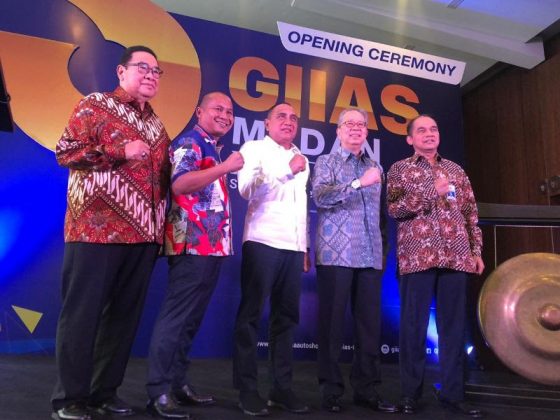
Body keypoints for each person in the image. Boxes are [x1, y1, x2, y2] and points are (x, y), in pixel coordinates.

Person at [52, 45, 170, 420]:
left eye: (156, 70)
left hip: (143, 237)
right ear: (121, 71)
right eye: (143, 67)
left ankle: (104, 392)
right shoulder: (95, 104)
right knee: (82, 315)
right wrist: (120, 150)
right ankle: (70, 399)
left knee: (123, 320)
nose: (151, 75)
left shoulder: (158, 126)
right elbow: (65, 152)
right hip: (95, 231)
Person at [145, 92, 244, 419]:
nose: (225, 115)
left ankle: (177, 383)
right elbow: (180, 184)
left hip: (211, 245)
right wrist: (225, 167)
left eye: (229, 111)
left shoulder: (211, 146)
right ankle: (158, 391)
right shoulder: (191, 142)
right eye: (218, 108)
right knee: (177, 317)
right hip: (191, 242)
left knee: (191, 319)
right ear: (199, 111)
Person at [386, 115, 484, 418]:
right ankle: (410, 394)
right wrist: (432, 193)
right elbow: (394, 208)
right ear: (410, 139)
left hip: (456, 256)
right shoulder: (400, 169)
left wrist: (476, 251)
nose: (429, 134)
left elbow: (470, 213)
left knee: (453, 329)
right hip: (418, 258)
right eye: (422, 130)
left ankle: (453, 395)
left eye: (433, 129)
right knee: (413, 328)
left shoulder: (456, 170)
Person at [311, 108, 398, 414]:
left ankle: (367, 390)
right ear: (339, 131)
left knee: (369, 329)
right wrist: (359, 184)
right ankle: (330, 391)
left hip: (370, 257)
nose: (356, 128)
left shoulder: (376, 167)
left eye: (361, 124)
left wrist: (382, 252)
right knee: (332, 327)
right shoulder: (327, 161)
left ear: (366, 132)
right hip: (336, 255)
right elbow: (320, 197)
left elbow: (381, 216)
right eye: (349, 124)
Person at [233, 103, 310, 416]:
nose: (288, 121)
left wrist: (304, 246)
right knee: (250, 316)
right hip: (262, 241)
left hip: (293, 248)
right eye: (281, 116)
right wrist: (286, 171)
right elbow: (245, 190)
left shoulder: (302, 156)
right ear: (267, 123)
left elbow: (300, 207)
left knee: (286, 319)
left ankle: (281, 388)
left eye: (293, 118)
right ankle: (247, 390)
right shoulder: (254, 149)